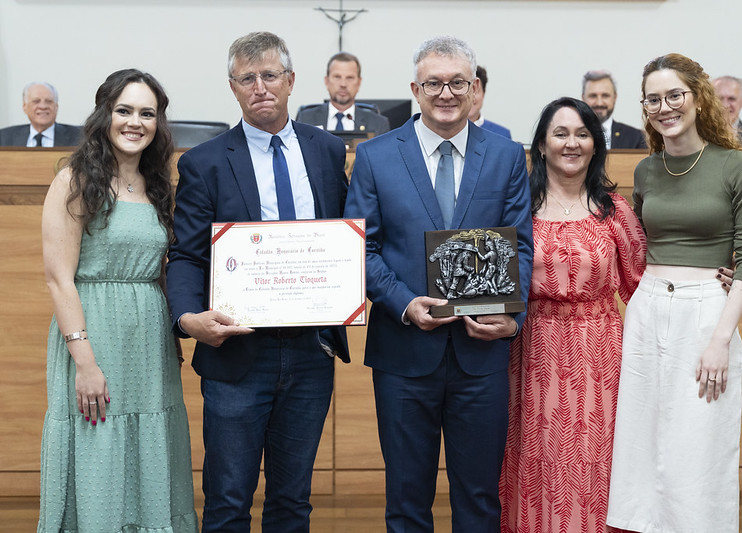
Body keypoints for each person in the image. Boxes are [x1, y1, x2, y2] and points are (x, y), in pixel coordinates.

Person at [343, 35, 533, 532]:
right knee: (407, 500)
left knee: (478, 500)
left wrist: (511, 317)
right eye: (434, 83)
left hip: (482, 356)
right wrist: (404, 303)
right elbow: (359, 247)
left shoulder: (508, 156)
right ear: (415, 88)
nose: (445, 94)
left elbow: (522, 246)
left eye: (457, 83)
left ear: (475, 89)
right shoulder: (376, 156)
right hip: (404, 355)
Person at [166, 31, 350, 532]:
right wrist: (187, 318)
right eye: (248, 78)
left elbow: (346, 242)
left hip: (312, 352)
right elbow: (185, 256)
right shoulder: (203, 163)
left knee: (293, 502)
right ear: (233, 87)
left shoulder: (328, 152)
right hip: (237, 352)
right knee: (228, 501)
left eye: (270, 75)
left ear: (290, 81)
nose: (260, 86)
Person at [607, 53, 742, 533]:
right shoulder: (646, 170)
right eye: (653, 99)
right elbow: (635, 246)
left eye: (674, 95)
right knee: (641, 439)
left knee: (700, 442)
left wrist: (721, 337)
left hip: (706, 317)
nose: (664, 107)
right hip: (649, 308)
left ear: (698, 97)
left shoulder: (738, 166)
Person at [37, 69, 197, 532]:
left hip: (149, 347)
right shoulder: (74, 181)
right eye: (124, 110)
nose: (135, 122)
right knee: (97, 444)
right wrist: (85, 363)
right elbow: (58, 279)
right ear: (104, 114)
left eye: (147, 113)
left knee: (151, 446)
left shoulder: (159, 186)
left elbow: (166, 271)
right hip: (93, 337)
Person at [498, 97, 647, 533]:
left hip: (600, 355)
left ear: (595, 145)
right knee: (534, 455)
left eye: (582, 134)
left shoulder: (614, 210)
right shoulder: (516, 208)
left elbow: (642, 283)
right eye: (560, 133)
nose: (571, 143)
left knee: (595, 460)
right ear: (541, 145)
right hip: (530, 350)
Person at [296, 51, 390, 135]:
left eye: (349, 78)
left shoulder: (378, 124)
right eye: (337, 77)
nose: (343, 84)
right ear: (327, 81)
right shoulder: (306, 119)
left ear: (359, 82)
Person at [0, 81, 82, 146]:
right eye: (36, 101)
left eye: (49, 101)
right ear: (24, 106)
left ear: (56, 107)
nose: (43, 106)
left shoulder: (80, 136)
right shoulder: (4, 137)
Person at [582, 70, 646, 149]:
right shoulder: (571, 136)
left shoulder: (637, 138)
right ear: (583, 98)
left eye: (605, 96)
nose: (599, 103)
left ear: (614, 97)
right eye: (593, 96)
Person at [469, 65, 512, 138]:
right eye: (468, 91)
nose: (471, 97)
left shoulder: (502, 134)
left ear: (484, 93)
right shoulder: (445, 132)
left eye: (476, 91)